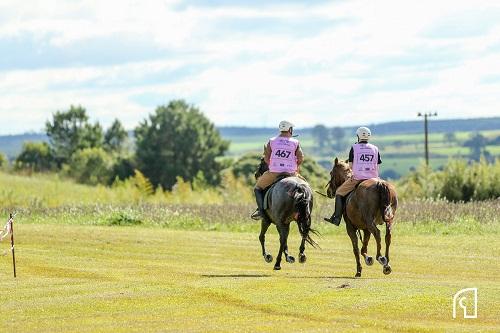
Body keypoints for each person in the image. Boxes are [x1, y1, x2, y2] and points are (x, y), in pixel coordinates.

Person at [324, 126, 382, 226]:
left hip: (358, 178)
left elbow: (350, 166)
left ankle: (336, 218)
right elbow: (377, 165)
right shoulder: (375, 148)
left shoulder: (354, 147)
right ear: (368, 136)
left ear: (358, 136)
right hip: (374, 178)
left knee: (339, 192)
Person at [251, 120, 304, 220]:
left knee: (257, 188)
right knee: (305, 186)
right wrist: (294, 166)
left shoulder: (271, 141)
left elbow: (266, 158)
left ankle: (261, 212)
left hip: (274, 172)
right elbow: (300, 158)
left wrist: (274, 165)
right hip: (291, 174)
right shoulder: (295, 142)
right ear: (290, 129)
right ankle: (305, 210)